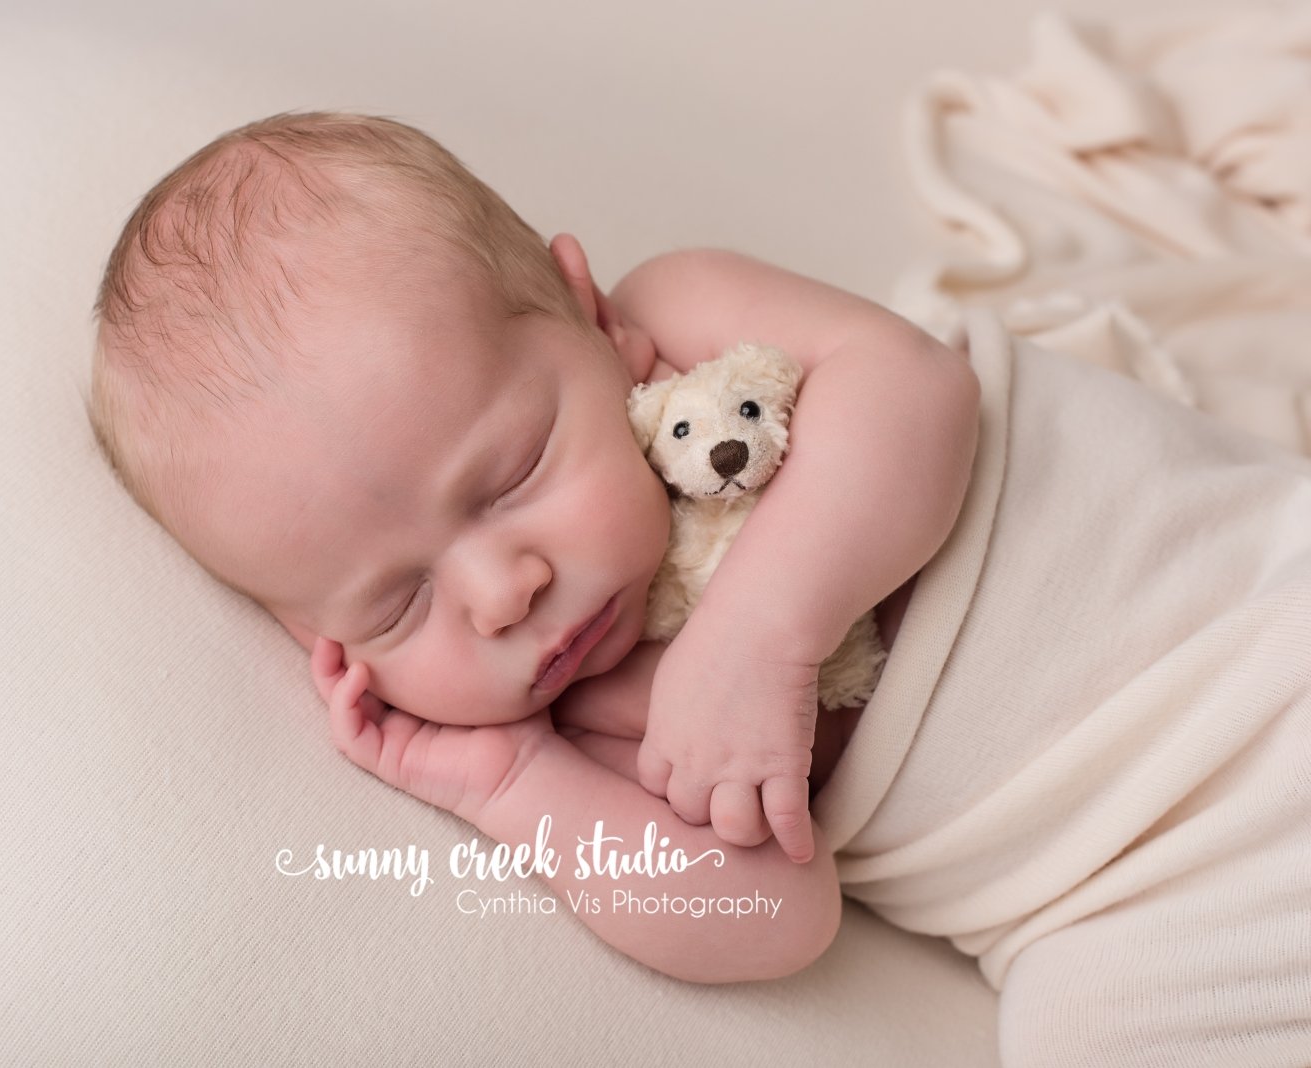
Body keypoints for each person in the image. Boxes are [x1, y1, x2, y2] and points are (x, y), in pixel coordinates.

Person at [87, 109, 978, 983]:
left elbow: (916, 387)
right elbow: (771, 917)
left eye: (512, 475)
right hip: (1083, 898)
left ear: (590, 317)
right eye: (397, 604)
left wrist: (760, 634)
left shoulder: (677, 318)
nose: (501, 596)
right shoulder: (576, 723)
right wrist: (513, 786)